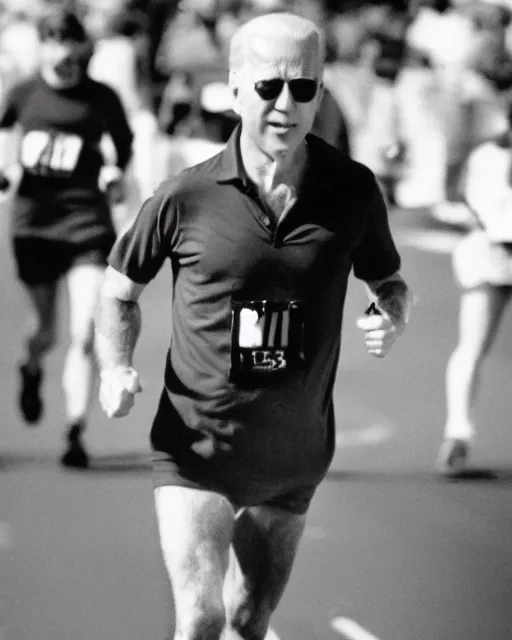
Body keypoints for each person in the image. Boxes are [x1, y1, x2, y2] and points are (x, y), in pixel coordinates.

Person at [95, 12, 412, 640]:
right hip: (198, 449)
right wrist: (115, 367)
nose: (286, 105)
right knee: (203, 617)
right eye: (269, 87)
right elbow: (118, 292)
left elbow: (389, 282)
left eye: (304, 87)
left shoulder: (351, 190)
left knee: (247, 619)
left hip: (294, 459)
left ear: (322, 92)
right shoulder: (185, 196)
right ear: (236, 88)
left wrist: (389, 315)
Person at [0, 7, 133, 468]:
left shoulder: (101, 98)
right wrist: (5, 167)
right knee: (44, 332)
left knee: (84, 332)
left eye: (68, 41)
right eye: (52, 40)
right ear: (41, 46)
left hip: (86, 223)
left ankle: (74, 430)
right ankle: (31, 366)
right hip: (34, 223)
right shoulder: (22, 94)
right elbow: (2, 131)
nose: (61, 50)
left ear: (81, 47)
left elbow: (124, 144)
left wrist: (116, 171)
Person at [437, 122, 512, 477]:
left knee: (471, 348)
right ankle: (457, 433)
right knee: (472, 347)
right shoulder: (489, 157)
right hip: (493, 254)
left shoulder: (486, 154)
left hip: (490, 251)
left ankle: (458, 434)